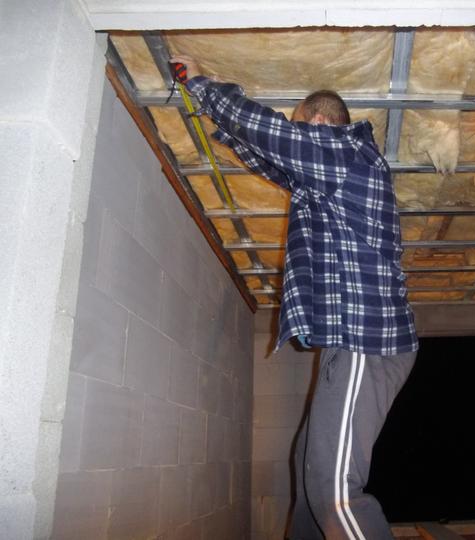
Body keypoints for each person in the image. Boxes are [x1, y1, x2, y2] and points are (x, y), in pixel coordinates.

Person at [172, 56, 418, 539]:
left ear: (318, 123)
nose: (294, 130)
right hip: (350, 343)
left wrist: (203, 86)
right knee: (309, 478)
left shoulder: (348, 152)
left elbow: (275, 136)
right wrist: (221, 127)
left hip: (367, 339)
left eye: (298, 122)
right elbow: (272, 160)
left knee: (335, 493)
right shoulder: (327, 175)